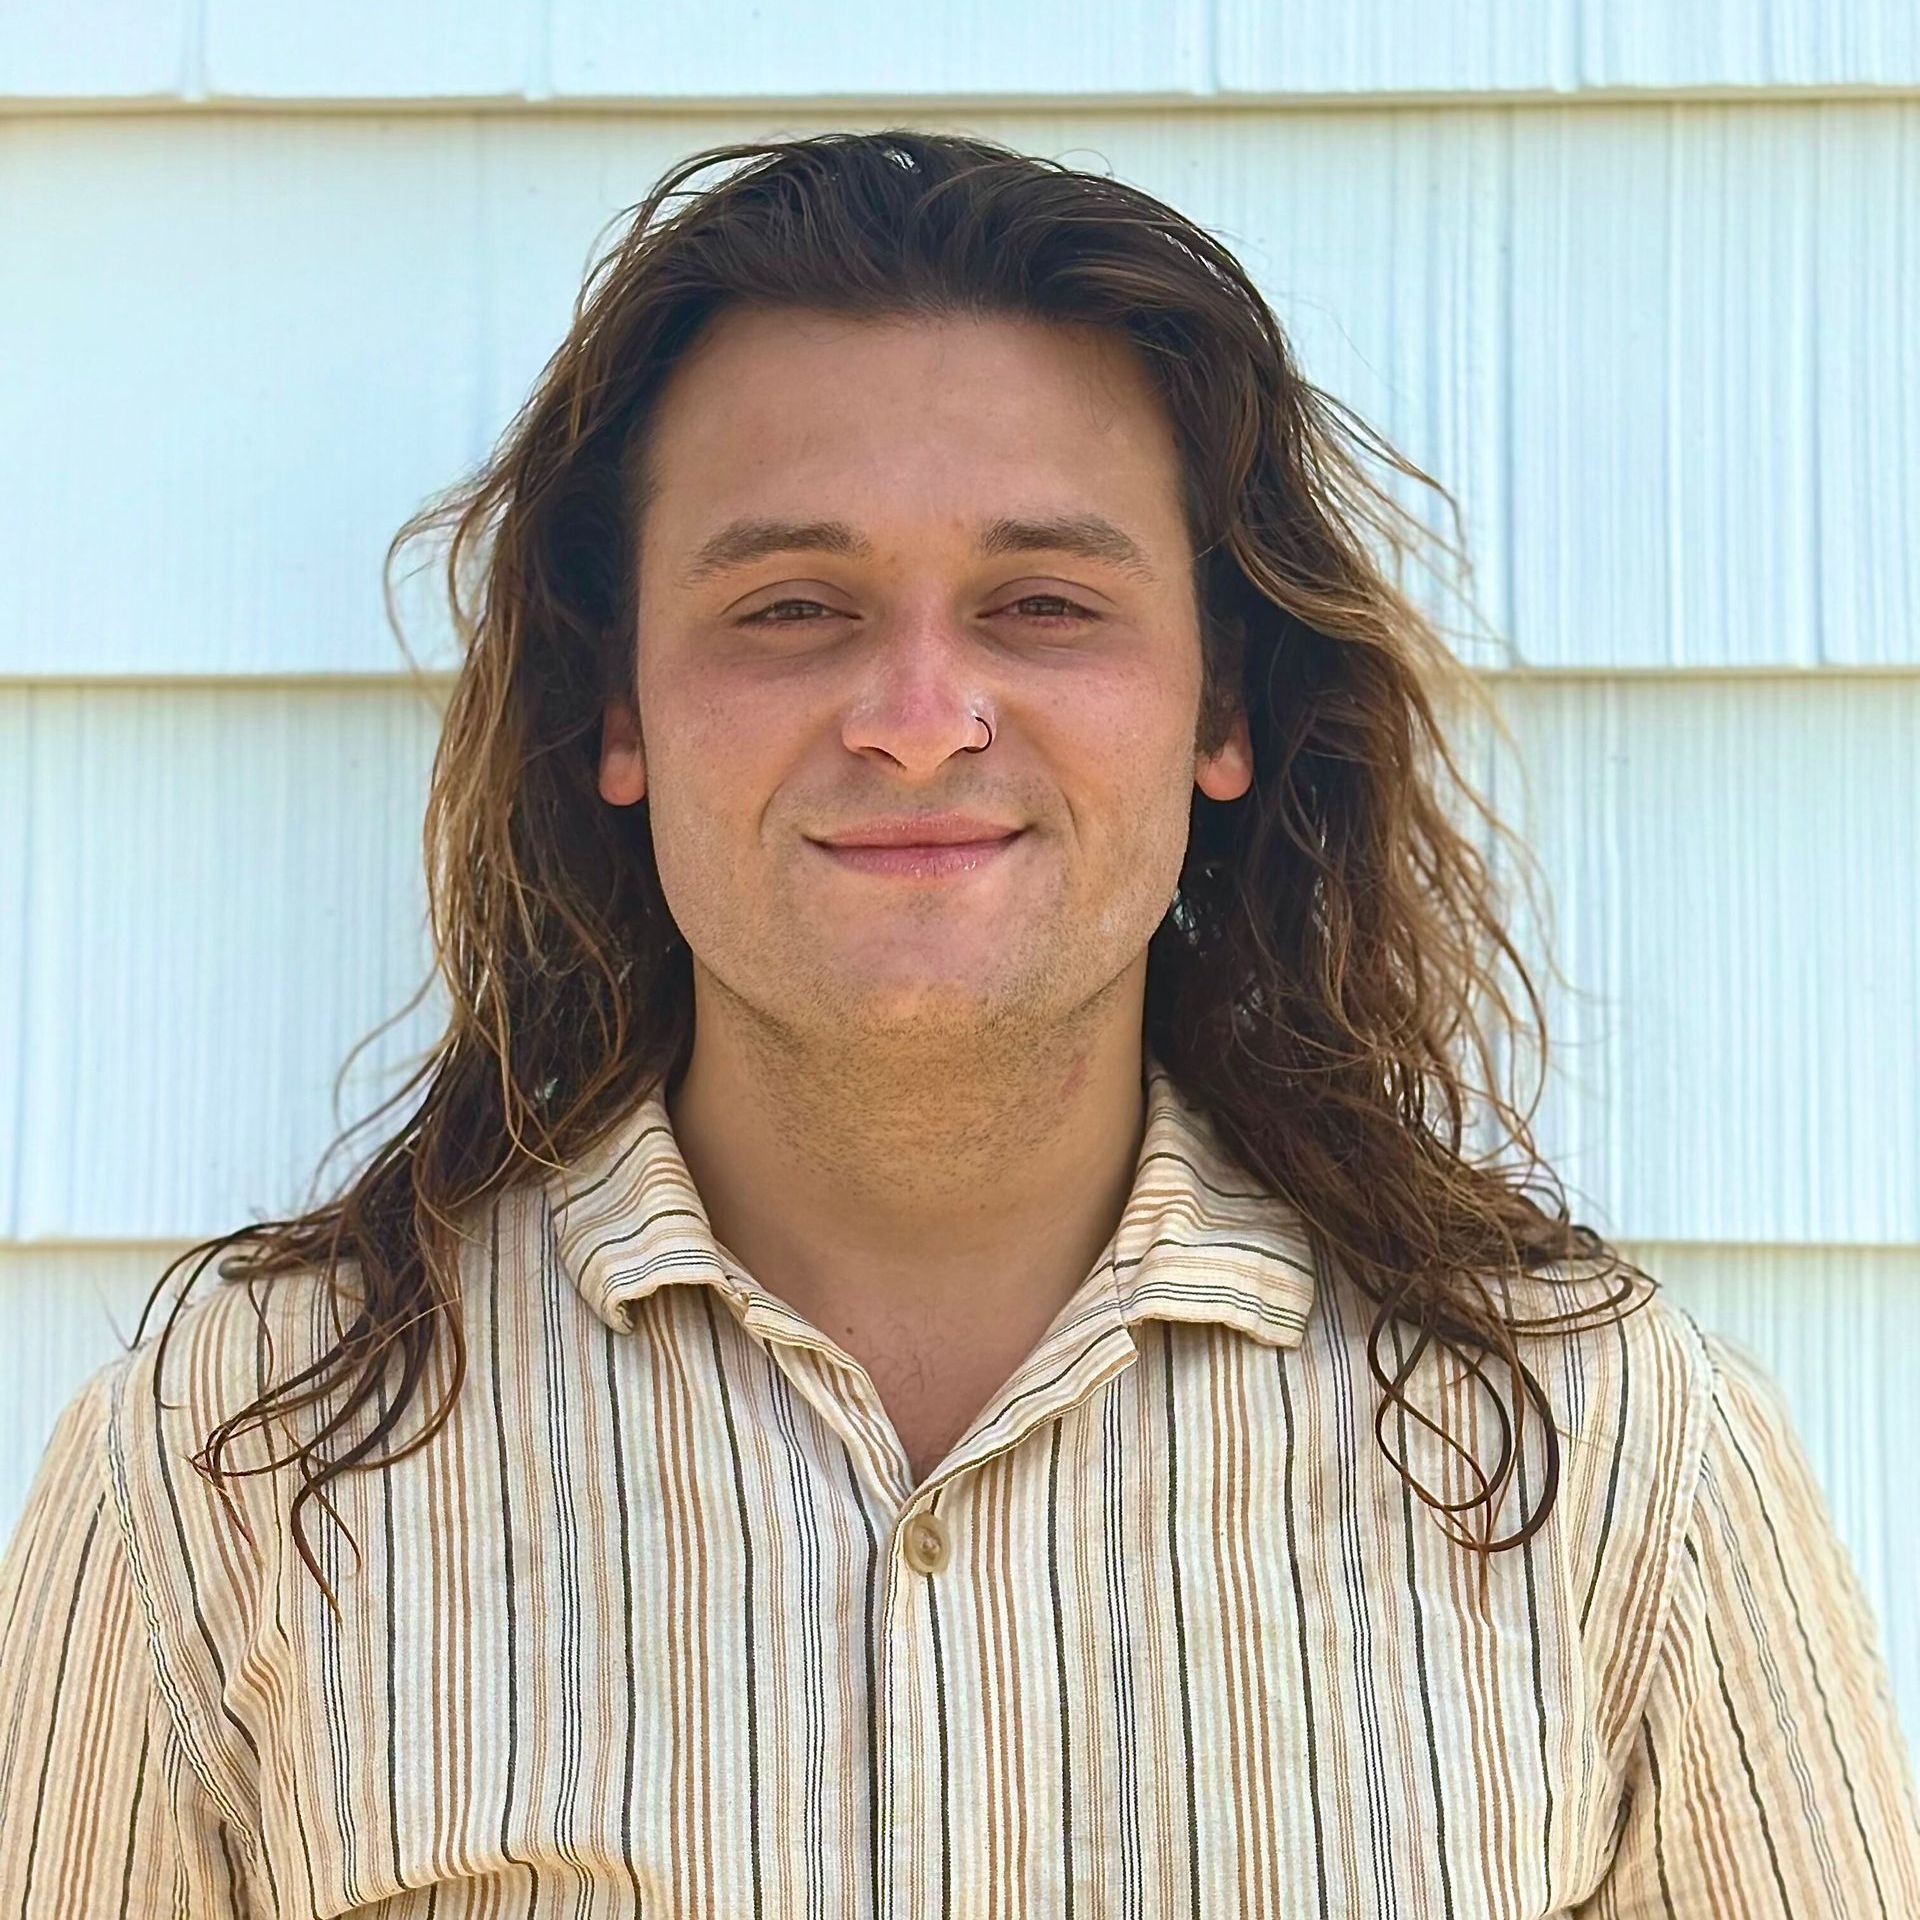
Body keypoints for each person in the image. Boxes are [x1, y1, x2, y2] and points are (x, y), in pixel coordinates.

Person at [2, 128, 1916, 1918]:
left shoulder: (1605, 1457)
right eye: (791, 607)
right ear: (620, 714)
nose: (920, 712)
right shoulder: (228, 1469)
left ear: (1222, 713)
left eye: (1043, 602)